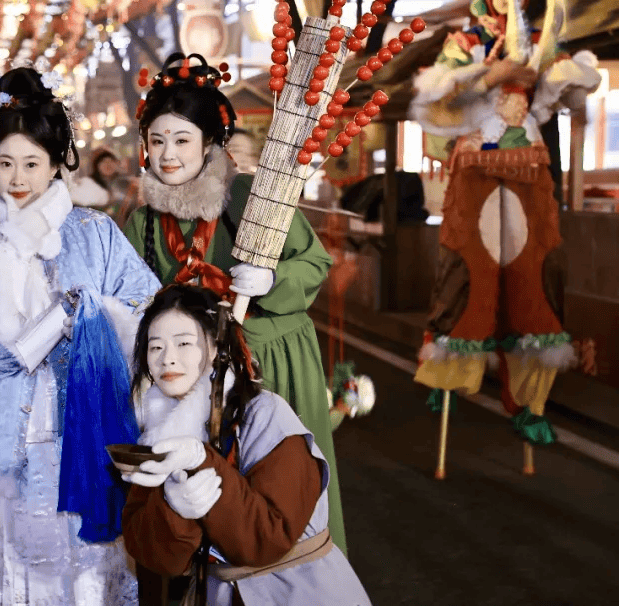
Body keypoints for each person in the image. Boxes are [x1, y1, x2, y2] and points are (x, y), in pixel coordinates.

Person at [0, 65, 160, 605]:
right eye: (5, 163)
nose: (17, 177)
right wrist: (61, 317)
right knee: (3, 573)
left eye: (32, 163)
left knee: (85, 574)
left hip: (85, 429)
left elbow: (147, 307)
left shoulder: (96, 232)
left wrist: (96, 316)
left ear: (57, 163)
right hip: (0, 440)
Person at [122, 53, 346, 552]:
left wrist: (272, 279)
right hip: (191, 375)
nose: (167, 154)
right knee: (204, 508)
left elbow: (315, 263)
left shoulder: (250, 196)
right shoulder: (143, 221)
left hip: (269, 361)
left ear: (209, 144)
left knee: (280, 505)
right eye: (157, 141)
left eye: (182, 140)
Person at [408, 0, 599, 443]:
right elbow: (438, 103)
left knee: (535, 276)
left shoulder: (541, 41)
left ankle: (530, 402)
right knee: (466, 274)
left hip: (529, 165)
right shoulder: (466, 43)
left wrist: (562, 83)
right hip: (475, 166)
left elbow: (565, 95)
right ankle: (447, 375)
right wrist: (492, 76)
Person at [121, 284, 370, 605]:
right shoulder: (159, 432)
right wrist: (174, 510)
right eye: (155, 347)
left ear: (214, 347)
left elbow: (265, 541)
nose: (167, 359)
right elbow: (151, 556)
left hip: (296, 591)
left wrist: (201, 462)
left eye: (183, 343)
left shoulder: (266, 415)